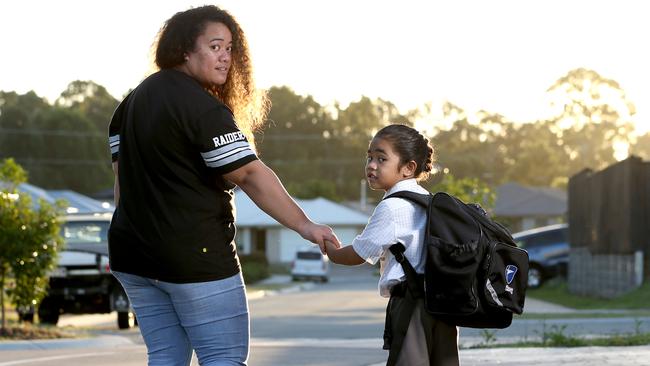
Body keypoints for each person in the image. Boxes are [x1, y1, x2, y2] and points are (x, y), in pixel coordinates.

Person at [107, 5, 340, 366]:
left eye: (230, 48)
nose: (226, 58)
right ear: (185, 49)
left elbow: (122, 187)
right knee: (224, 358)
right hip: (192, 257)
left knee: (166, 357)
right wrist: (305, 225)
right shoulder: (201, 108)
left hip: (132, 255)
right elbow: (248, 175)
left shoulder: (129, 105)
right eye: (215, 47)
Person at [324, 124, 459, 366]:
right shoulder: (428, 201)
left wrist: (332, 252)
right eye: (370, 157)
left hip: (412, 305)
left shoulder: (392, 207)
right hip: (442, 306)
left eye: (382, 158)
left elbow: (359, 253)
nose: (372, 165)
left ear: (408, 168)